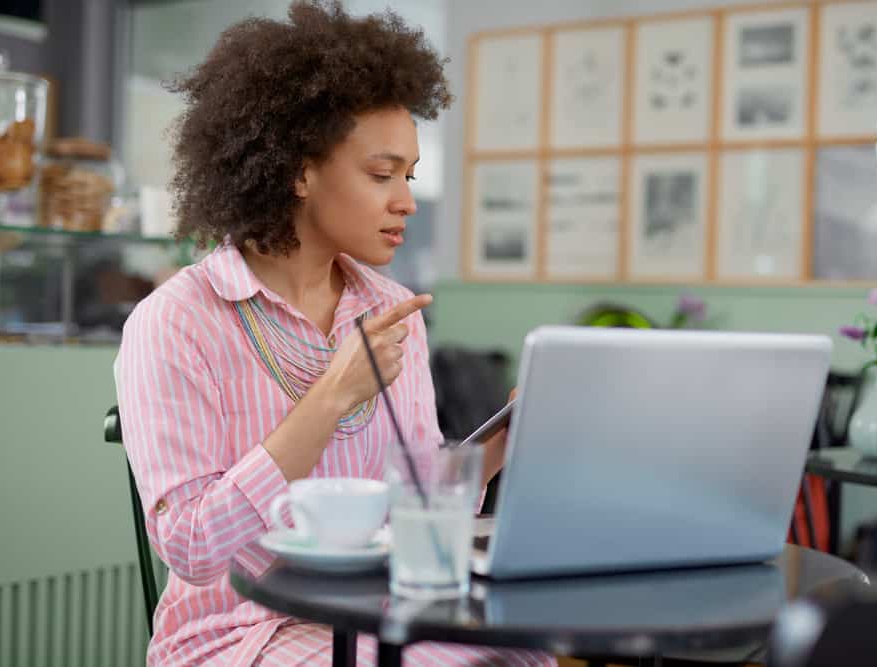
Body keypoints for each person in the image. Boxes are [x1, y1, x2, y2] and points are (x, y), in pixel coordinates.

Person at [116, 2, 551, 665]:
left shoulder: (391, 308)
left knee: (524, 656)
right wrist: (328, 400)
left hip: (376, 612)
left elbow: (414, 506)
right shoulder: (176, 320)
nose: (405, 198)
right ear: (298, 171)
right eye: (381, 174)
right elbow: (194, 549)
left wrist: (500, 445)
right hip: (236, 631)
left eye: (408, 174)